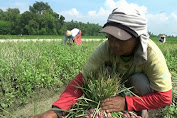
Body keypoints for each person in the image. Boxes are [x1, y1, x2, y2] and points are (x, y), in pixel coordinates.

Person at [35, 7, 172, 118]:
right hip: (114, 85)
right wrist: (57, 110)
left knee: (140, 81)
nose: (114, 44)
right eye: (110, 37)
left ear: (137, 38)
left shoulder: (151, 54)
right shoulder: (105, 48)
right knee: (100, 73)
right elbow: (82, 80)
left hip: (136, 89)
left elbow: (165, 97)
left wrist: (126, 103)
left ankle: (142, 112)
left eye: (121, 39)